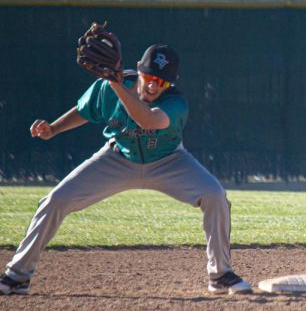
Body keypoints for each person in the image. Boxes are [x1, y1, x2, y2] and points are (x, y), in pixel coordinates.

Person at [0, 44, 251, 296]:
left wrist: (116, 85)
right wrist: (53, 128)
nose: (154, 86)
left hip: (169, 162)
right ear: (139, 71)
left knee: (215, 195)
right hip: (116, 158)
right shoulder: (108, 87)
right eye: (150, 77)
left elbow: (149, 120)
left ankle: (220, 275)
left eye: (162, 82)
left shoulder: (175, 102)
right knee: (55, 200)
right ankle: (17, 275)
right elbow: (86, 110)